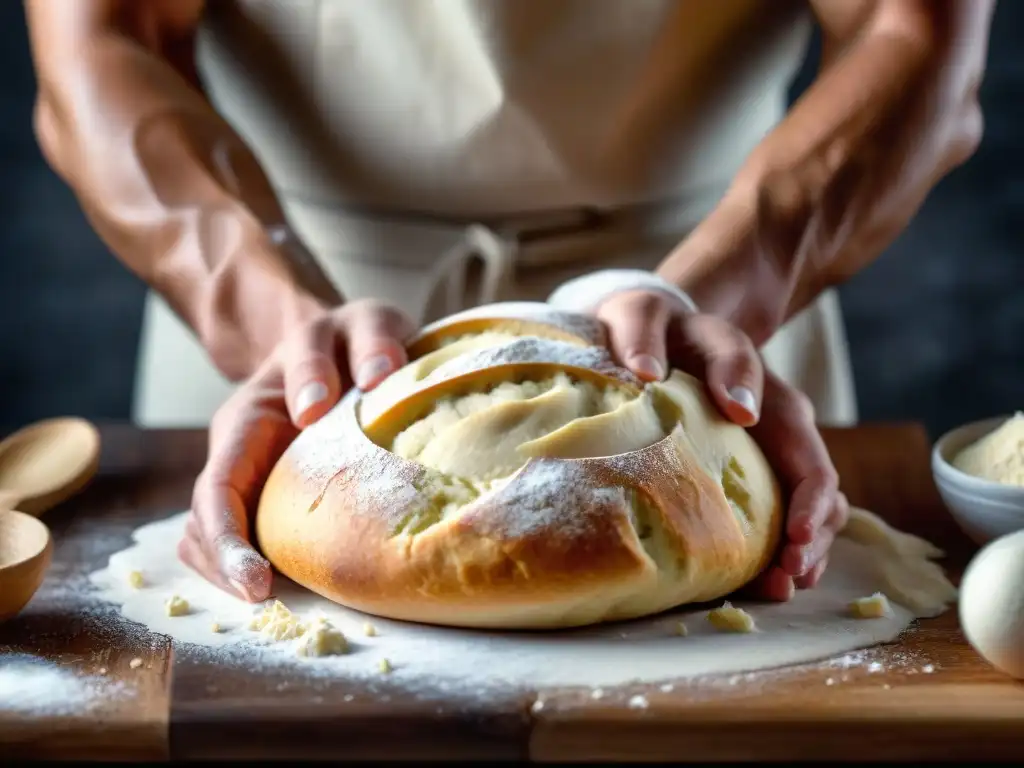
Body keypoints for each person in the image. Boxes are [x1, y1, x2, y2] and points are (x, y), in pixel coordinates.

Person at [26, 0, 992, 605]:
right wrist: (276, 318)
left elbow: (912, 29)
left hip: (709, 313)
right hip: (279, 322)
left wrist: (709, 292)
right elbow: (102, 37)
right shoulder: (277, 330)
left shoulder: (715, 305)